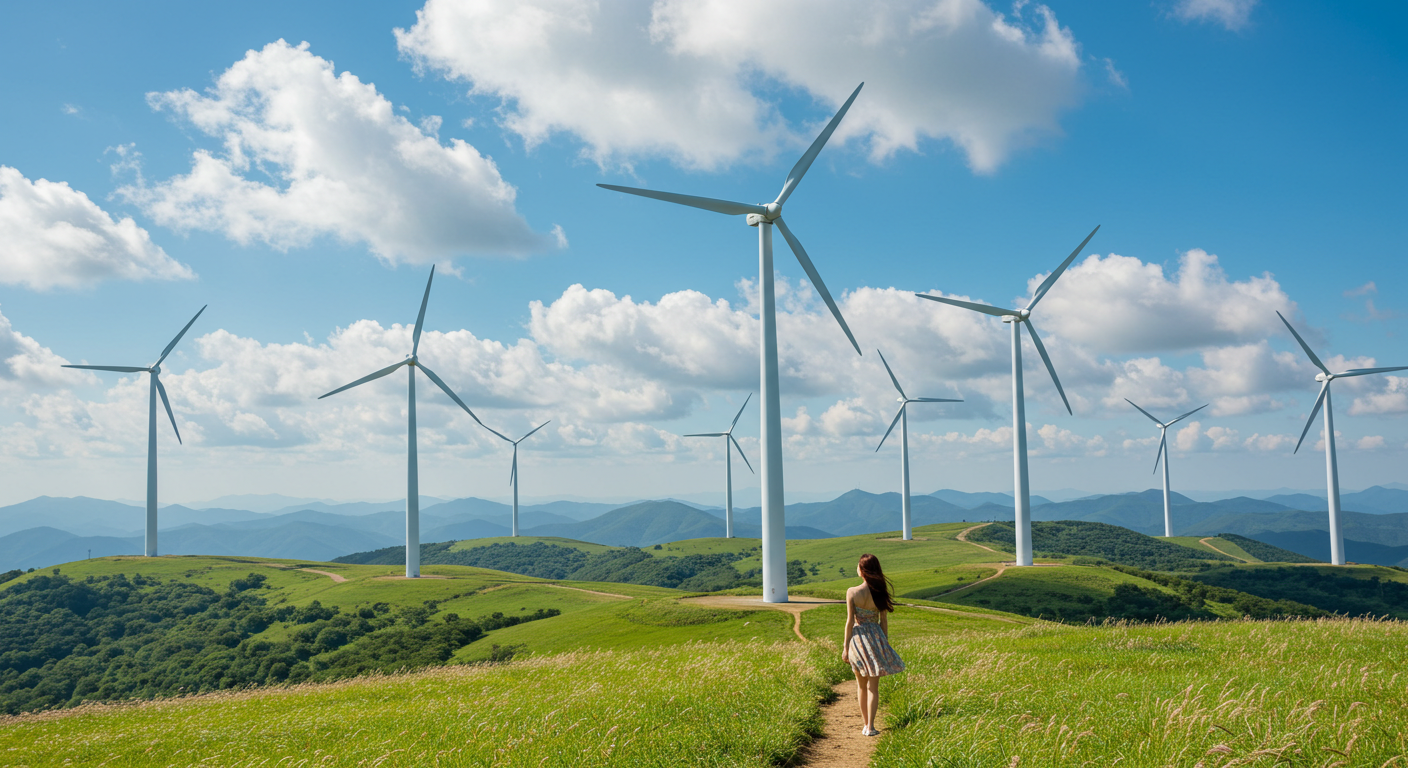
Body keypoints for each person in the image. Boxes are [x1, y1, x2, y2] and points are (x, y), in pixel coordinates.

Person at [842, 553, 905, 737]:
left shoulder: (852, 592)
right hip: (876, 638)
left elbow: (849, 622)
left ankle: (864, 724)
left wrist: (846, 647)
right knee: (873, 688)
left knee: (861, 686)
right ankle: (871, 726)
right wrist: (884, 643)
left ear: (862, 570)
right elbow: (883, 620)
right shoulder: (880, 591)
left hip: (858, 638)